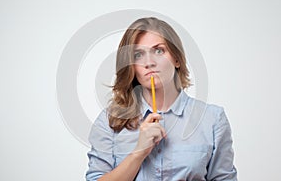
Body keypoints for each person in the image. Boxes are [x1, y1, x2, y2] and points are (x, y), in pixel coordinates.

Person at [86, 17, 237, 180]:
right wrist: (138, 153)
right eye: (138, 55)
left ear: (177, 59)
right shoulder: (109, 121)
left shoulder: (212, 119)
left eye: (159, 51)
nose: (149, 62)